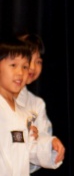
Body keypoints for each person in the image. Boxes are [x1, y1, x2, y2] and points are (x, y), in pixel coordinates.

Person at [0, 37, 62, 175]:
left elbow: (29, 149)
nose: (21, 73)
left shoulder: (25, 114)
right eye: (13, 65)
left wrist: (50, 146)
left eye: (24, 67)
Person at [15, 32, 65, 172]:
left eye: (38, 61)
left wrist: (51, 144)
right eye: (28, 58)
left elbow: (41, 138)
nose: (32, 67)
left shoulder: (37, 104)